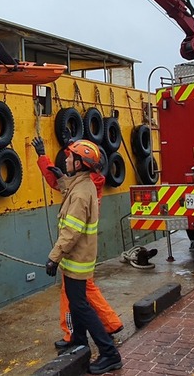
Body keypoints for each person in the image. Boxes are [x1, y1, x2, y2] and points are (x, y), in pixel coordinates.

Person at [30, 137, 123, 351]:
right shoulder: (88, 182)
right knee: (82, 297)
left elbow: (71, 230)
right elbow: (63, 184)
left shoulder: (83, 192)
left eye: (70, 157)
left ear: (81, 164)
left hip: (76, 256)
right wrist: (46, 161)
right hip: (80, 255)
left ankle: (98, 344)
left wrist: (54, 257)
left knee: (77, 303)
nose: (66, 159)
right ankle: (99, 330)